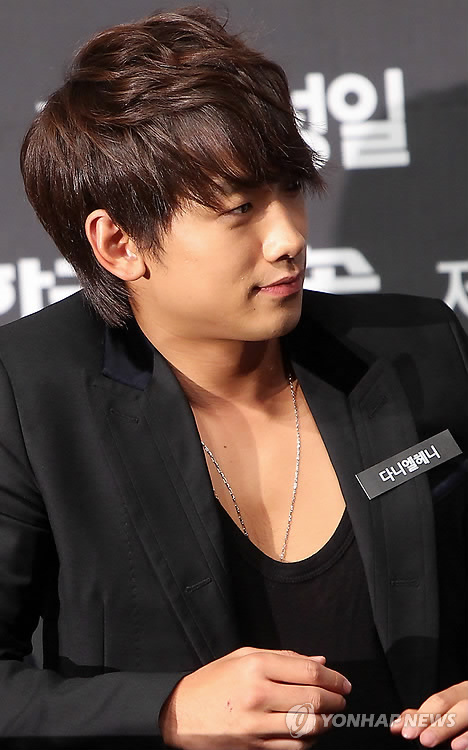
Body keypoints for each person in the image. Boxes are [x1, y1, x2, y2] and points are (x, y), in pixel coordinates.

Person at [0, 5, 467, 749]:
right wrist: (167, 710)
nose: (289, 237)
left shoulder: (422, 345)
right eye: (239, 208)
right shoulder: (28, 391)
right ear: (118, 243)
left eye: (291, 189)